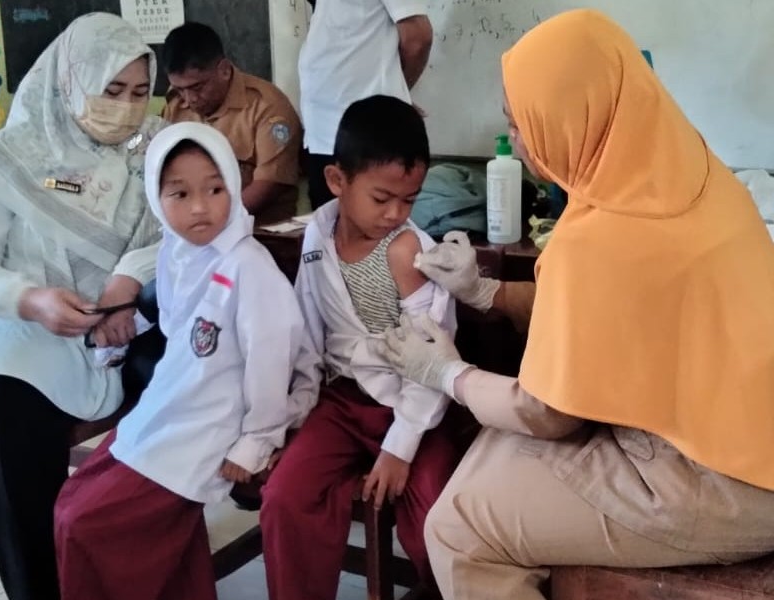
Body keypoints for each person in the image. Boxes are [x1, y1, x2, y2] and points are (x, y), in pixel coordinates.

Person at [379, 9, 774, 600]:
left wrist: (445, 373)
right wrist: (485, 292)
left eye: (521, 123)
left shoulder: (597, 238)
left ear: (570, 120)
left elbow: (547, 413)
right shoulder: (695, 174)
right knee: (490, 453)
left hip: (726, 481)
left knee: (459, 527)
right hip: (742, 439)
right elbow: (608, 306)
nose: (519, 141)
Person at [54, 122, 317, 600]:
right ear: (158, 200)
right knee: (77, 504)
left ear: (233, 186)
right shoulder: (178, 253)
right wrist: (125, 332)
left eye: (215, 189)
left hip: (211, 422)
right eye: (180, 194)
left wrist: (256, 442)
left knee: (83, 522)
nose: (200, 207)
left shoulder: (248, 266)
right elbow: (181, 326)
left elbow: (272, 360)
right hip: (170, 405)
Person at [0, 14, 166, 600]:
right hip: (33, 331)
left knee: (193, 379)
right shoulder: (6, 158)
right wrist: (29, 300)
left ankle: (154, 570)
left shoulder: (156, 148)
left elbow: (189, 229)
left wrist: (127, 285)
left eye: (139, 92)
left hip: (136, 322)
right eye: (112, 90)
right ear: (69, 81)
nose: (127, 108)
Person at [260, 95, 460, 600]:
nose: (395, 214)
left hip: (414, 402)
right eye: (382, 198)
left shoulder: (409, 252)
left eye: (409, 200)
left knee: (438, 511)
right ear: (336, 180)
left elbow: (433, 363)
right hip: (343, 402)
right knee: (285, 496)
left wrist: (399, 447)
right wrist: (293, 415)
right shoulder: (316, 237)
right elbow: (309, 333)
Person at [162, 22, 303, 225]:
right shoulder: (176, 105)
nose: (189, 98)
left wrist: (214, 220)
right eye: (180, 89)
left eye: (197, 87)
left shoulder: (267, 106)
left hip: (259, 229)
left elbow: (269, 183)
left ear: (224, 70)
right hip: (192, 227)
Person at [299, 0, 433, 209]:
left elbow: (418, 37)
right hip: (322, 130)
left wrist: (395, 99)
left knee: (371, 218)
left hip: (365, 132)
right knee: (327, 222)